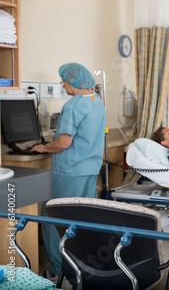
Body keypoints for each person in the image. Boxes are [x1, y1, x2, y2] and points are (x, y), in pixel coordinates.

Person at [31, 62, 106, 277]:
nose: (63, 85)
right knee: (81, 217)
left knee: (54, 217)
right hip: (90, 169)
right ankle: (79, 265)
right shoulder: (97, 102)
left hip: (70, 170)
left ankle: (58, 269)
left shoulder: (74, 105)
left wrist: (43, 147)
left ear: (74, 81)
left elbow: (64, 143)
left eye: (64, 81)